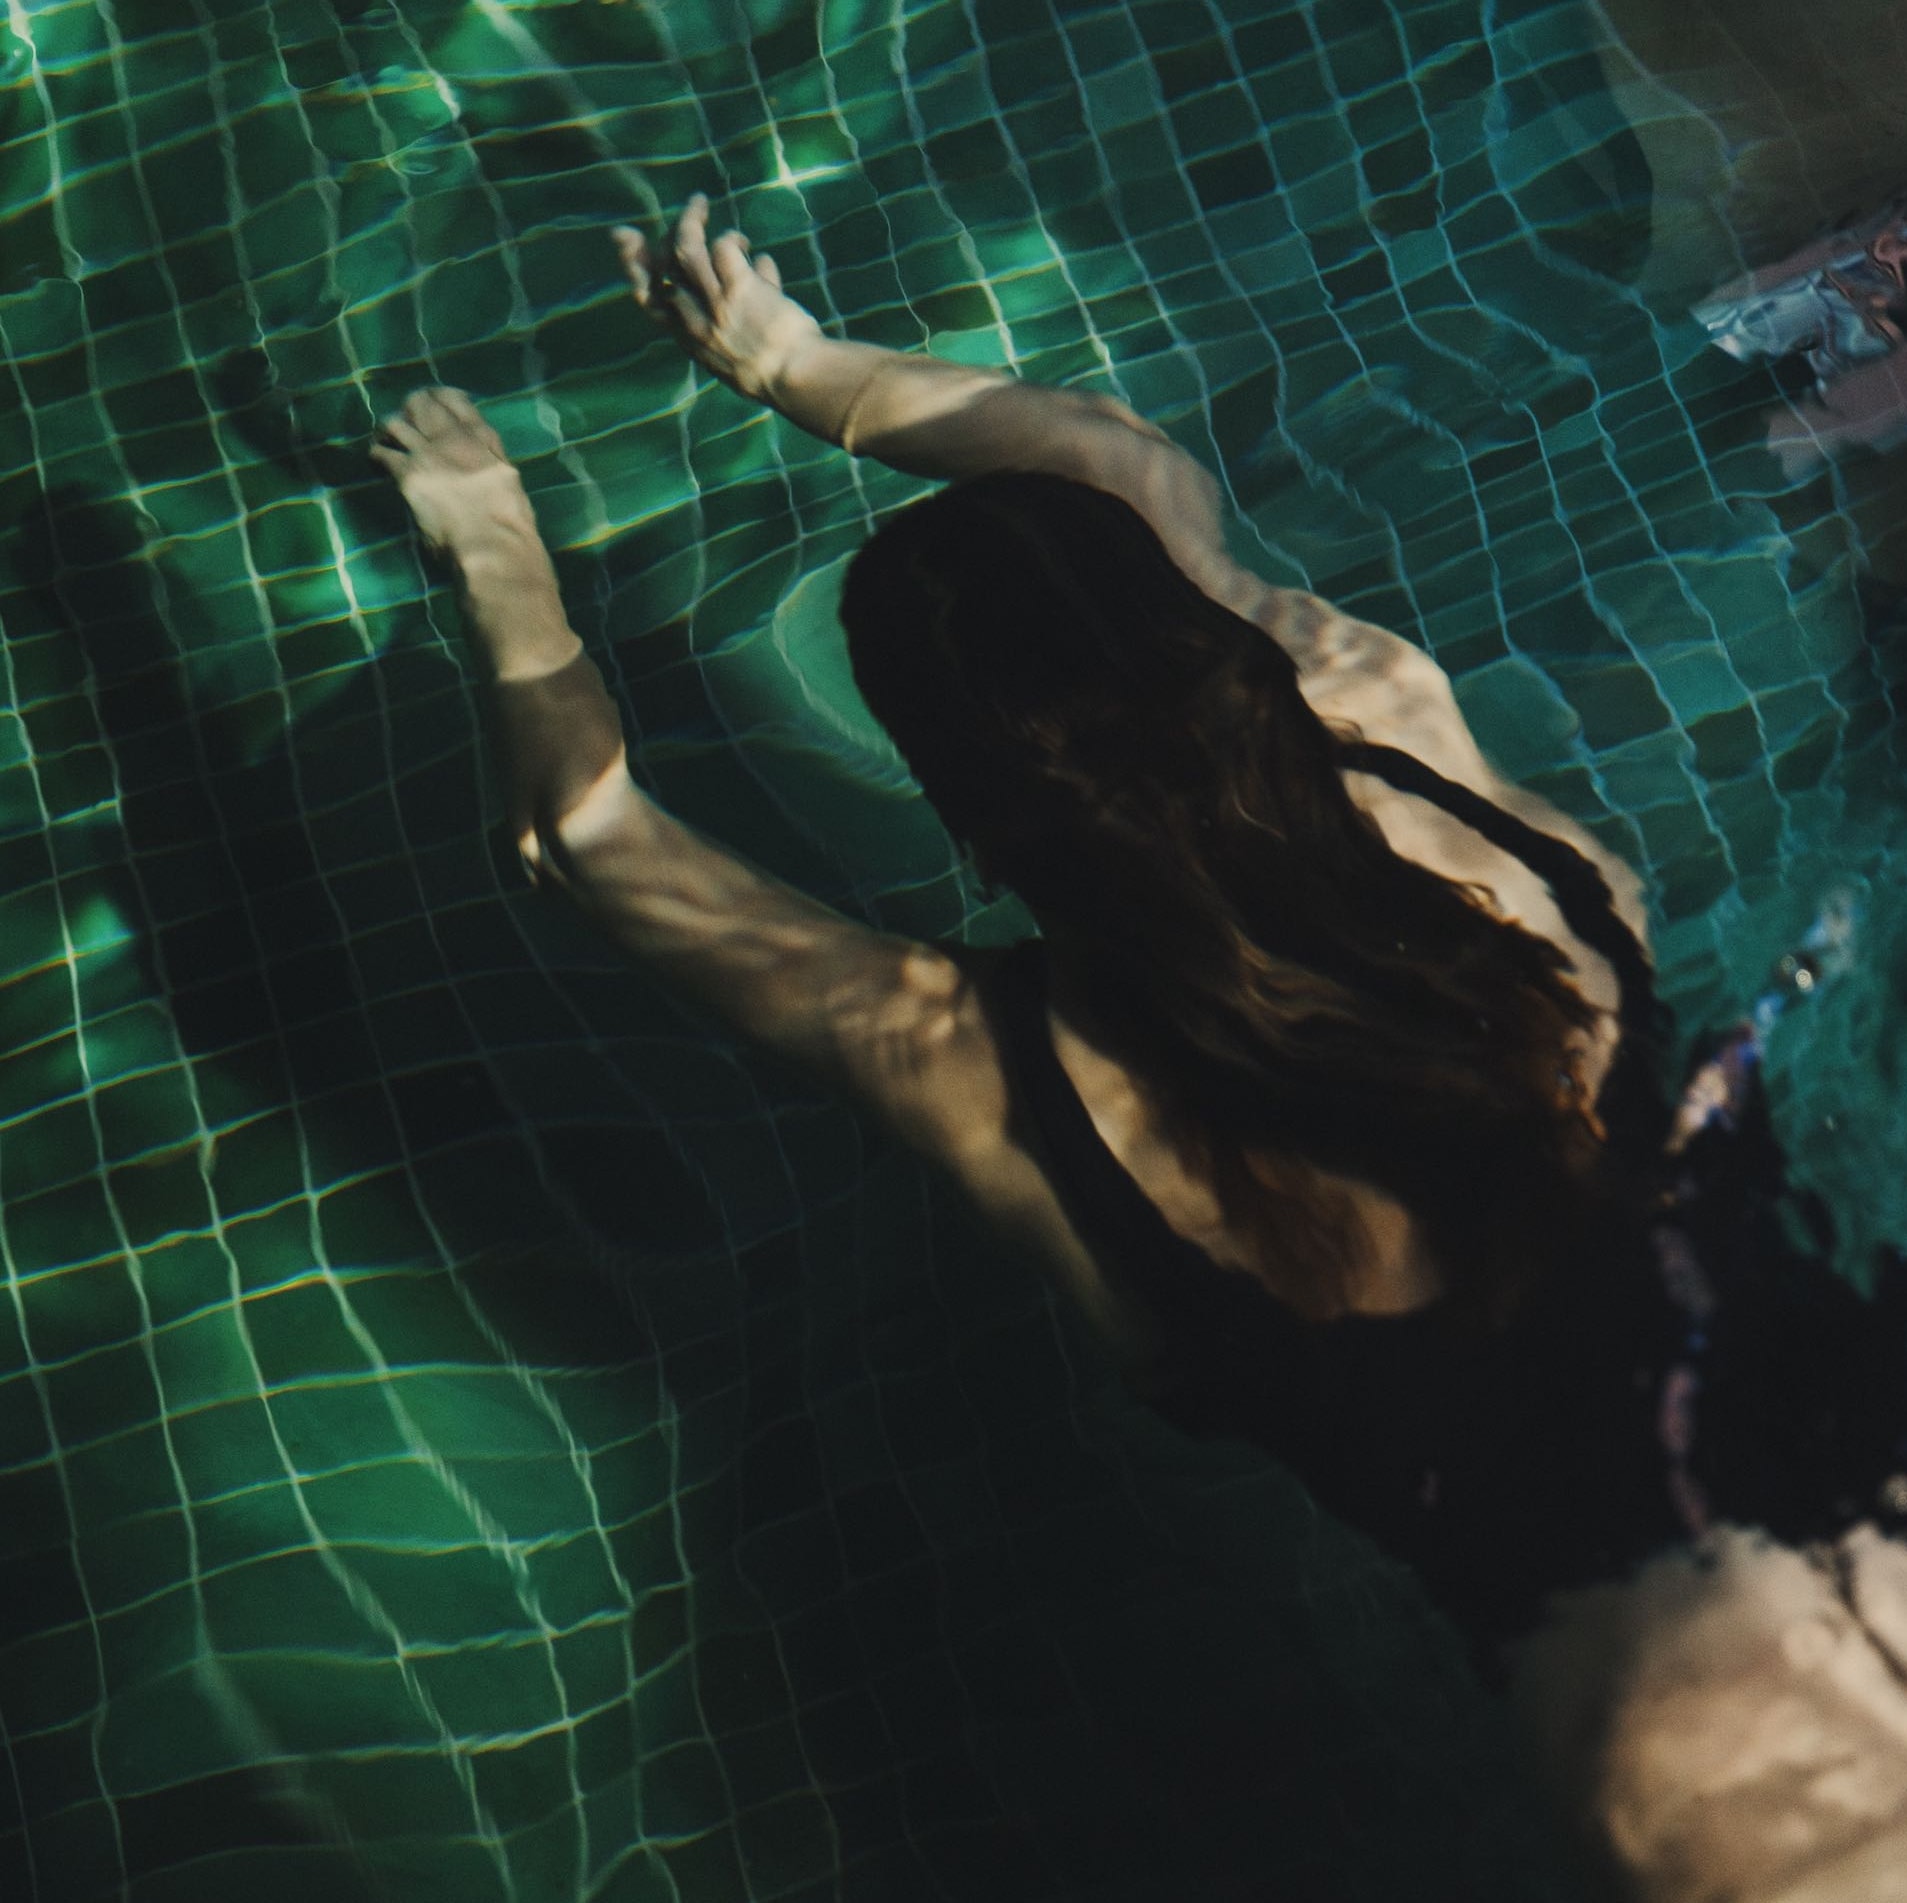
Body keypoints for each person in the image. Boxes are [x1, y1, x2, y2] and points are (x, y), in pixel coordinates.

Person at [371, 196, 1907, 1898]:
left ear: (978, 826)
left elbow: (584, 840)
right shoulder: (1392, 727)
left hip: (1670, 1709)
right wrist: (790, 363)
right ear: (1213, 650)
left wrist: (496, 549)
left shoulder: (974, 1057)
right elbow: (1110, 456)